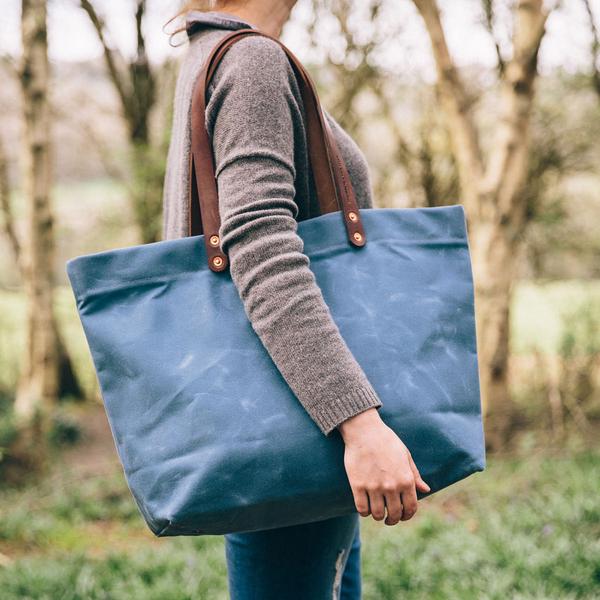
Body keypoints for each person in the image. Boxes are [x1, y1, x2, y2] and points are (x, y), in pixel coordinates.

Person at [163, 2, 431, 598]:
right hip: (302, 421)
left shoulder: (213, 53)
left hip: (297, 422)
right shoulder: (251, 63)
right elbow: (260, 251)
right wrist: (359, 425)